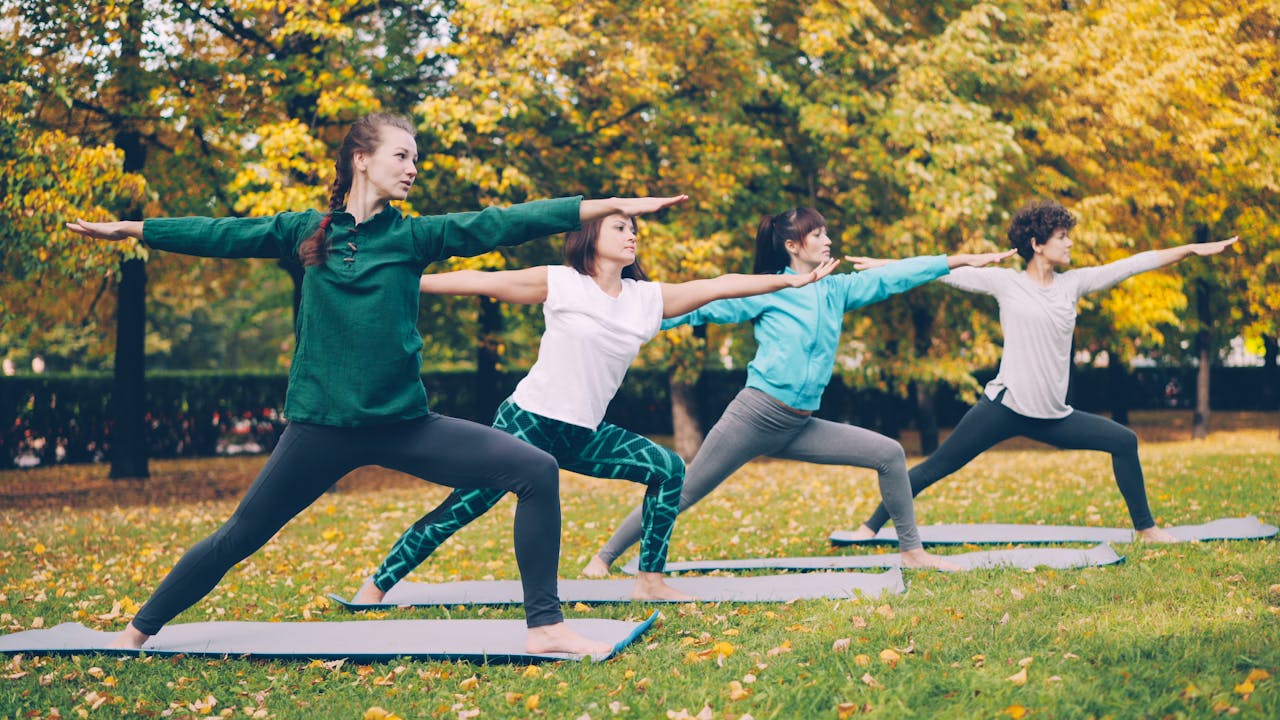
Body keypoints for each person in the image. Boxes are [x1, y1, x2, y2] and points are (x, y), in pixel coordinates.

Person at [66, 112, 687, 656]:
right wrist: (136, 229)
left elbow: (503, 222)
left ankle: (544, 626)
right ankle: (137, 632)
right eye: (402, 155)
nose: (413, 167)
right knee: (239, 537)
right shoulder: (304, 232)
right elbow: (222, 233)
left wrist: (605, 206)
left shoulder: (413, 236)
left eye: (416, 158)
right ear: (361, 160)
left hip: (403, 426)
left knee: (535, 470)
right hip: (320, 431)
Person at [353, 213, 840, 605]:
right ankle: (376, 586)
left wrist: (788, 285)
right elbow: (483, 280)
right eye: (620, 227)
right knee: (462, 509)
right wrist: (404, 285)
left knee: (668, 469)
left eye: (634, 229)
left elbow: (718, 285)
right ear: (590, 235)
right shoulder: (563, 283)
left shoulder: (646, 299)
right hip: (528, 422)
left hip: (583, 433)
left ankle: (649, 579)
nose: (631, 235)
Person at [587, 207, 1015, 575]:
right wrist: (626, 316)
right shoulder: (767, 288)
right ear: (793, 245)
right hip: (754, 416)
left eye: (825, 233)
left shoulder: (836, 289)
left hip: (800, 423)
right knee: (684, 490)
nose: (828, 240)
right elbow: (700, 306)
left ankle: (912, 552)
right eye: (818, 234)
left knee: (889, 454)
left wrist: (959, 261)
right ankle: (603, 558)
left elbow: (897, 276)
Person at [849, 200, 1239, 543]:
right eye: (1061, 236)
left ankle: (1146, 529)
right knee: (936, 466)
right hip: (1002, 408)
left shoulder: (1074, 285)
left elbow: (1134, 264)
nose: (1069, 243)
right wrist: (884, 266)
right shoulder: (1004, 282)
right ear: (1036, 244)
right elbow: (938, 270)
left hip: (1053, 416)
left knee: (1124, 441)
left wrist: (1188, 249)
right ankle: (870, 526)